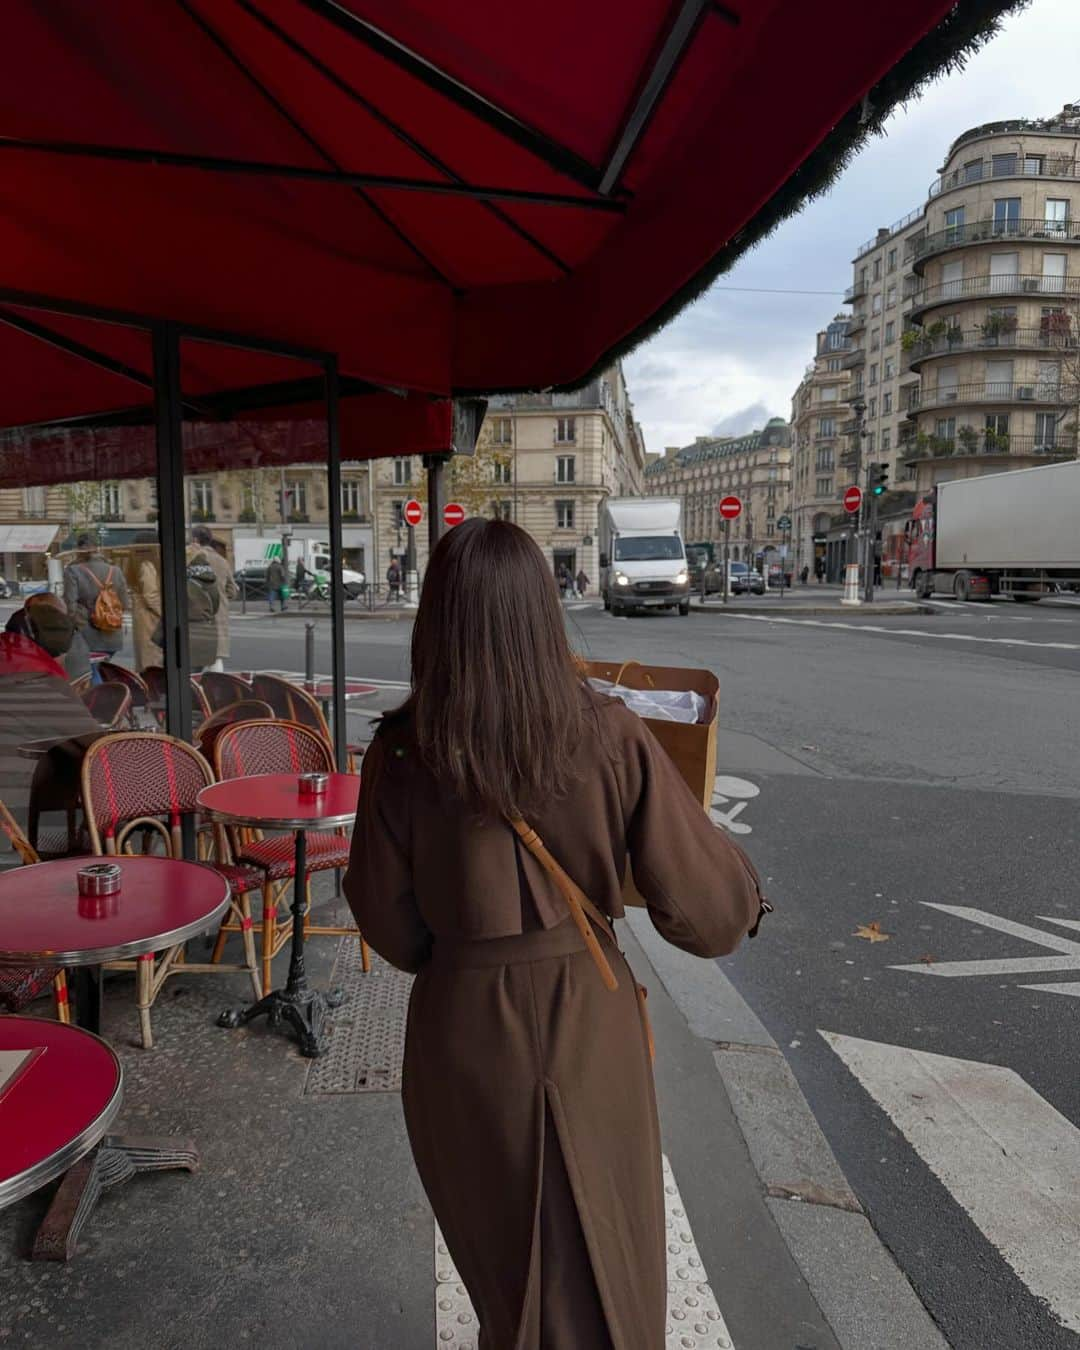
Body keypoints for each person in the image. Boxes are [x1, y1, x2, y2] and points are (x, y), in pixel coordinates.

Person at [344, 519, 765, 1350]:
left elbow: (387, 923)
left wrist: (464, 949)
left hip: (461, 1027)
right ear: (543, 612)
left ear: (437, 620)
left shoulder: (400, 752)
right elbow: (711, 919)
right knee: (609, 1257)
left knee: (506, 1272)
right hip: (586, 1011)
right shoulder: (610, 733)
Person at [63, 533, 130, 658]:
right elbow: (125, 603)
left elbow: (70, 604)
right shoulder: (115, 570)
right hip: (112, 632)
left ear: (79, 550)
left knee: (90, 671)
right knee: (102, 668)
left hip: (87, 633)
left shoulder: (73, 571)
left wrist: (75, 624)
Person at [191, 526, 237, 672]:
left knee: (195, 659)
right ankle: (215, 690)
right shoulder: (222, 561)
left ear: (195, 540)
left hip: (196, 613)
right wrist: (221, 598)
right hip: (218, 612)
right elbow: (232, 590)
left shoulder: (190, 558)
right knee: (216, 657)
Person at [126, 531, 162, 673]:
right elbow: (151, 595)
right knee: (152, 659)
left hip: (142, 615)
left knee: (144, 658)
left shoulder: (137, 564)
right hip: (150, 617)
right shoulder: (148, 565)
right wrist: (164, 612)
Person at [184, 545, 221, 673]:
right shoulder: (211, 578)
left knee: (185, 676)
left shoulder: (185, 580)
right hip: (207, 631)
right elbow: (215, 607)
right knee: (197, 674)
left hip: (189, 633)